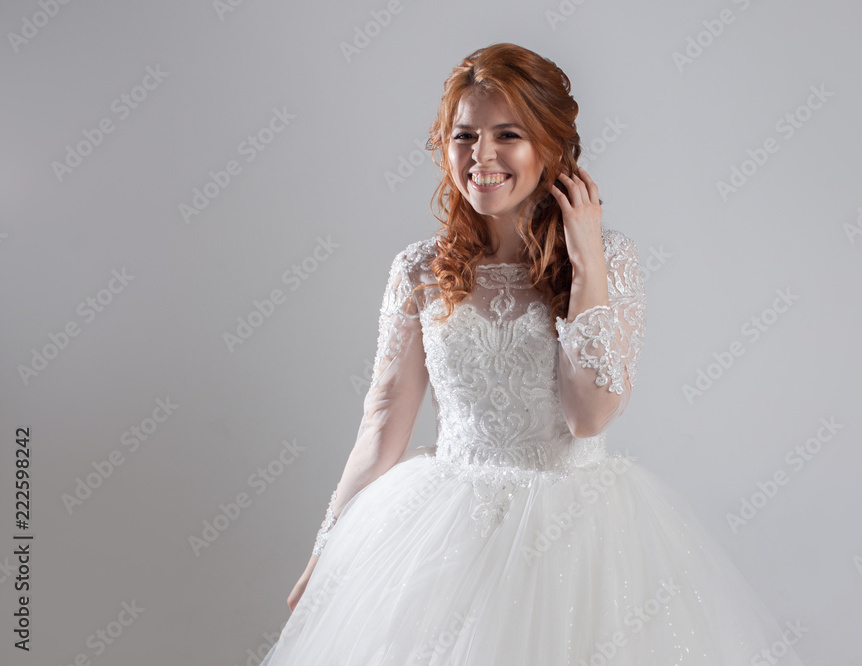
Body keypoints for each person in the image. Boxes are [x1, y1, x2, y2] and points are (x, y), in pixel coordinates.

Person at [259, 42, 806, 665]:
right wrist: (328, 548)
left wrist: (588, 259)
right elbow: (384, 425)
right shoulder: (419, 269)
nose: (481, 156)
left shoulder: (608, 260)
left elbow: (590, 417)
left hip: (578, 536)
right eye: (463, 135)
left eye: (507, 134)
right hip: (442, 533)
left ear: (549, 148)